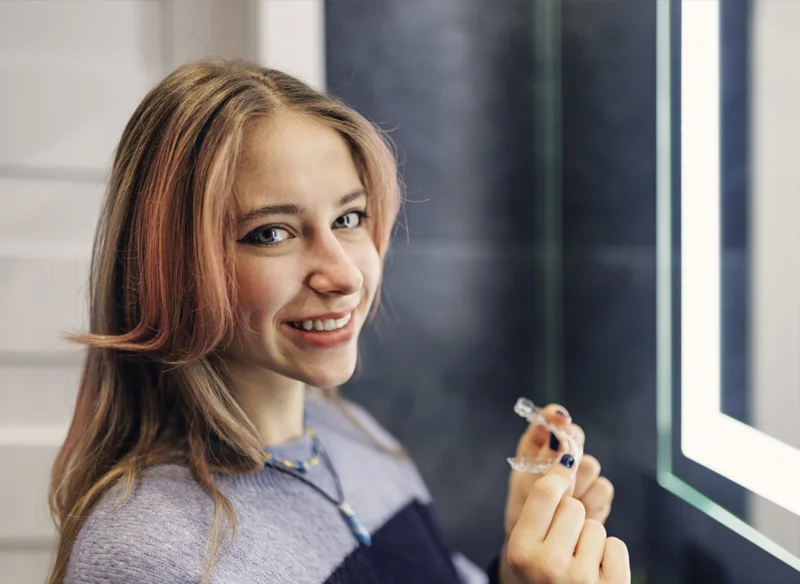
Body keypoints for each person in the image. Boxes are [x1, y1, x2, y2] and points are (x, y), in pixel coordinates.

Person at [46, 58, 629, 584]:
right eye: (271, 233)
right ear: (169, 266)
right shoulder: (150, 554)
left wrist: (519, 570)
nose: (344, 274)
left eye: (350, 218)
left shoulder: (354, 436)